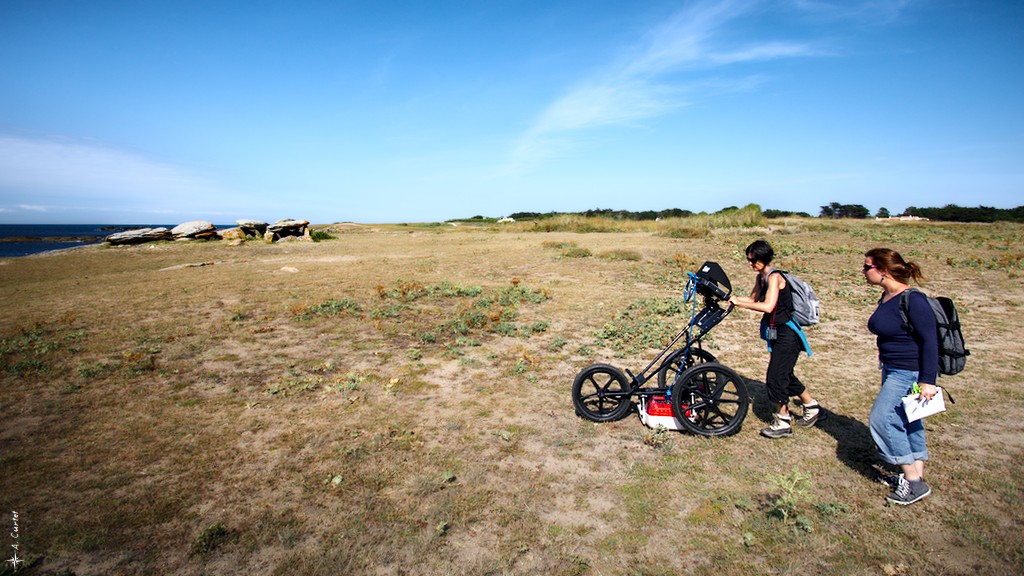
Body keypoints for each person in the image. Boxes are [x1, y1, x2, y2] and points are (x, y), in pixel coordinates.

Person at [864, 247, 938, 505]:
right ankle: (915, 476)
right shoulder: (888, 296)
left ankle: (914, 483)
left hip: (909, 372)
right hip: (892, 367)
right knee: (909, 420)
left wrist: (928, 380)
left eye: (867, 267)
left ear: (883, 271)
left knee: (882, 420)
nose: (863, 272)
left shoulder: (914, 300)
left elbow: (930, 341)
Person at [729, 240, 825, 438]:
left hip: (788, 334)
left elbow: (768, 306)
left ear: (763, 259)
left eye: (753, 260)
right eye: (748, 260)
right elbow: (753, 299)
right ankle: (812, 406)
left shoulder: (775, 277)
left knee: (775, 377)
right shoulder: (760, 278)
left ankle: (783, 422)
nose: (750, 264)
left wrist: (741, 304)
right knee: (784, 373)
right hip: (776, 332)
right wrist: (731, 299)